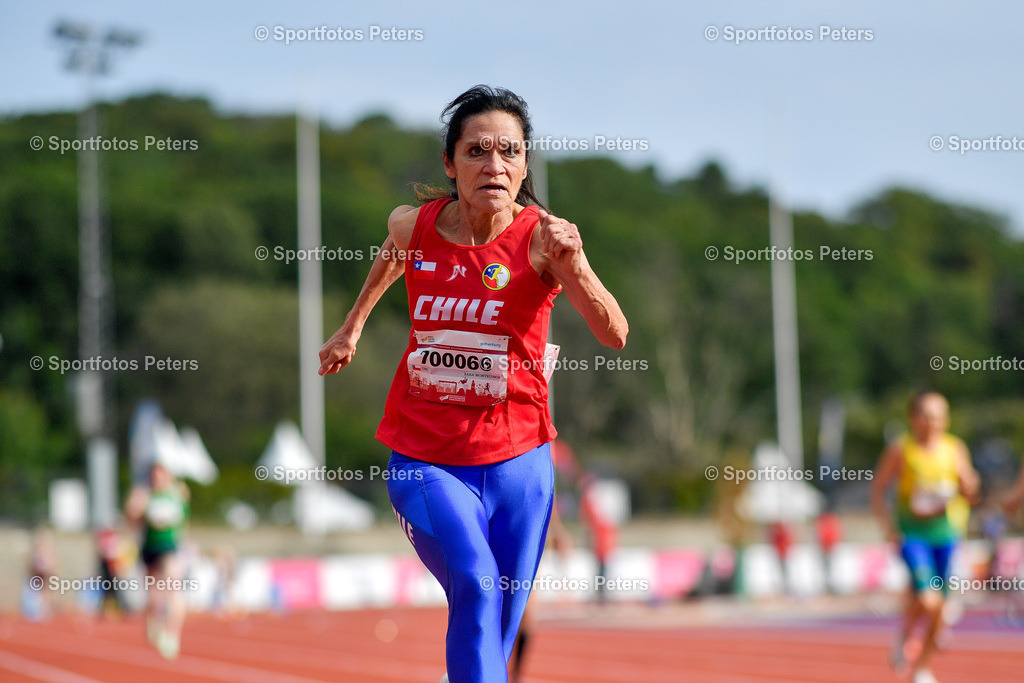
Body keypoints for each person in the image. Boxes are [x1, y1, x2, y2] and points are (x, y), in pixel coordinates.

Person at [319, 85, 628, 683]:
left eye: (509, 152)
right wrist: (350, 328)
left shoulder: (543, 239)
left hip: (521, 463)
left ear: (525, 165)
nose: (494, 166)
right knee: (477, 585)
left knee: (502, 627)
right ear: (449, 163)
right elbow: (392, 254)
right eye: (477, 151)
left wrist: (580, 265)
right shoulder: (414, 226)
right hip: (426, 458)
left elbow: (615, 334)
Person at [871, 391, 979, 683]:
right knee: (930, 601)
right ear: (913, 418)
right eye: (927, 416)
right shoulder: (901, 450)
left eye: (940, 416)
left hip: (946, 534)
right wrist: (887, 525)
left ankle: (921, 667)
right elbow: (878, 488)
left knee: (938, 608)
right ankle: (913, 634)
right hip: (913, 535)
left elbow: (970, 490)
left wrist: (969, 484)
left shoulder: (954, 448)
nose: (934, 423)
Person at [126, 461, 190, 659]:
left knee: (174, 590)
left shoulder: (177, 492)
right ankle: (152, 623)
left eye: (161, 473)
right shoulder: (145, 495)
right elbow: (132, 521)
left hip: (170, 548)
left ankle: (172, 635)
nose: (158, 478)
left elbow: (184, 520)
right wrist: (136, 505)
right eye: (154, 474)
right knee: (154, 597)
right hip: (150, 549)